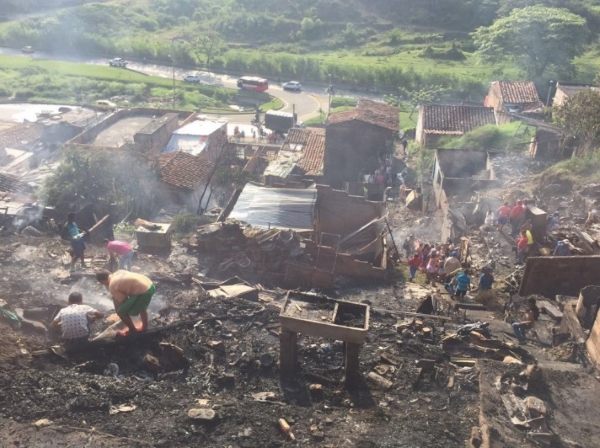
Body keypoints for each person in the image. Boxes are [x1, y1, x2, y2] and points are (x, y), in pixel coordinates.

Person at [96, 270, 156, 337]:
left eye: (102, 283)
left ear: (102, 281)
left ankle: (133, 331)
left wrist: (120, 312)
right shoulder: (119, 272)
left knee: (121, 312)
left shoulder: (112, 285)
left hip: (143, 291)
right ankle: (144, 327)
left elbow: (124, 301)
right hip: (150, 285)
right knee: (141, 306)